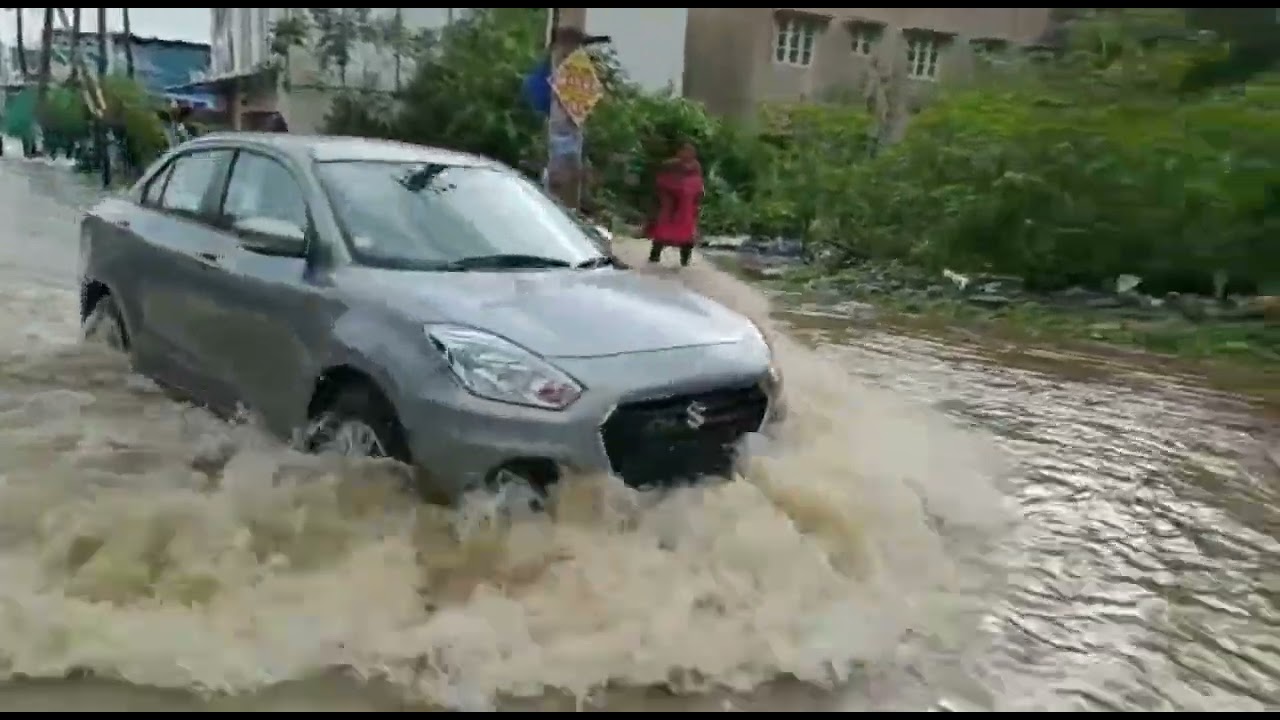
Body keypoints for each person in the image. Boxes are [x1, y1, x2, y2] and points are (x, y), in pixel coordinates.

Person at [645, 141, 704, 267]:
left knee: (687, 235)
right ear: (679, 152)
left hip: (687, 207)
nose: (688, 155)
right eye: (685, 151)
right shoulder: (670, 165)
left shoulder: (695, 166)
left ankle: (685, 261)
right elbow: (661, 183)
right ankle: (654, 256)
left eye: (691, 152)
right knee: (662, 232)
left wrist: (696, 202)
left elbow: (698, 186)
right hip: (670, 205)